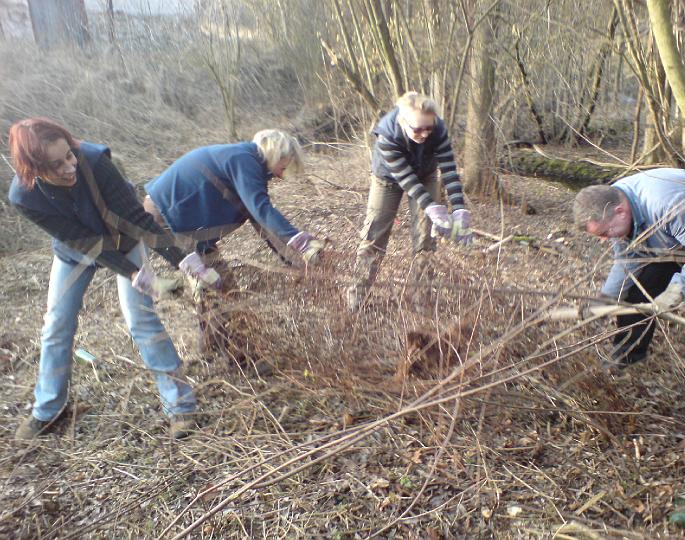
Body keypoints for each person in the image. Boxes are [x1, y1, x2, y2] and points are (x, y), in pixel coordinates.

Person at [8, 118, 220, 440]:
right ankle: (48, 410)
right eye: (57, 164)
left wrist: (183, 261)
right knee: (56, 324)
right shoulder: (24, 197)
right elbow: (81, 241)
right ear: (34, 169)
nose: (70, 166)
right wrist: (133, 273)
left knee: (141, 319)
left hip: (125, 239)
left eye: (69, 155)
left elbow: (137, 219)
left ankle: (180, 405)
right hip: (75, 251)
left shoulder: (93, 161)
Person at [143, 129, 323, 357]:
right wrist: (301, 243)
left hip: (185, 221)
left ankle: (212, 353)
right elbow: (261, 209)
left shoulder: (246, 163)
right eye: (285, 166)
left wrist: (295, 261)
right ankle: (239, 359)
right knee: (220, 288)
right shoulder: (244, 161)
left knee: (219, 287)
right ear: (277, 153)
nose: (283, 174)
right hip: (168, 217)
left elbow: (260, 220)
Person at [573, 167, 685, 367]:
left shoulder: (667, 204)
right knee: (637, 292)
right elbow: (628, 258)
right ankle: (627, 358)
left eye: (605, 233)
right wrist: (607, 298)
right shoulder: (614, 200)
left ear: (620, 212)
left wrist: (679, 289)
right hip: (676, 243)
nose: (603, 239)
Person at [345, 91, 473, 312]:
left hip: (426, 174)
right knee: (374, 236)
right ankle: (356, 298)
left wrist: (459, 208)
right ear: (402, 122)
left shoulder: (439, 129)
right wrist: (432, 206)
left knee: (426, 238)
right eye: (417, 129)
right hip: (387, 179)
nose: (424, 134)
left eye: (428, 128)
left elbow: (449, 170)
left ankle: (420, 298)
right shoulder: (387, 135)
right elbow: (406, 179)